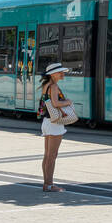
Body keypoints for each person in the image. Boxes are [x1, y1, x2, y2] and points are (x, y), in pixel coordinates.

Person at [38, 62, 73, 193]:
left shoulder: (46, 85)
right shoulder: (53, 86)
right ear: (53, 74)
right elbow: (55, 103)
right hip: (55, 123)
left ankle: (46, 184)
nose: (62, 74)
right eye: (60, 72)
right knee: (52, 156)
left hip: (47, 122)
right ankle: (49, 185)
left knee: (47, 155)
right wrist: (68, 102)